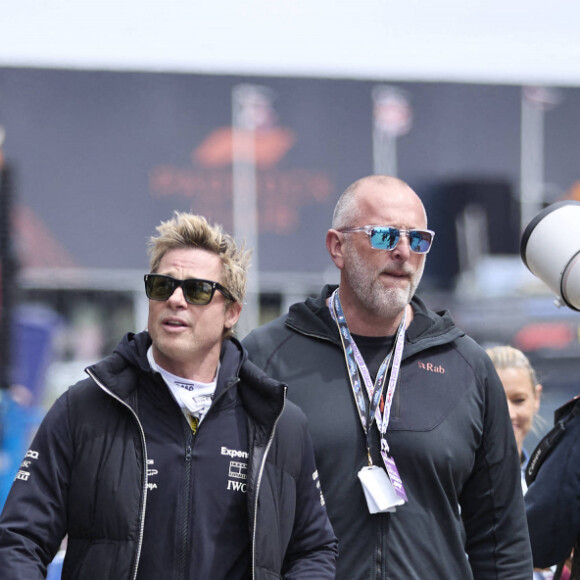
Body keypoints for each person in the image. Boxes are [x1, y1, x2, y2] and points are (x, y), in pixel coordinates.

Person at [0, 212, 338, 579]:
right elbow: (20, 538)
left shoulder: (277, 423)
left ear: (231, 312)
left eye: (197, 290)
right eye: (163, 286)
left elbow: (313, 549)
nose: (176, 300)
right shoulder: (84, 406)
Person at [243, 174, 533, 579]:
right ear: (337, 247)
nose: (402, 252)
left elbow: (502, 541)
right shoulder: (265, 357)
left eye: (418, 240)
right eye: (383, 236)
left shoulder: (467, 366)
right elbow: (233, 517)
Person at [486, 345, 543, 492]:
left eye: (518, 400)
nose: (509, 414)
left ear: (536, 398)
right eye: (495, 401)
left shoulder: (549, 484)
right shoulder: (451, 486)